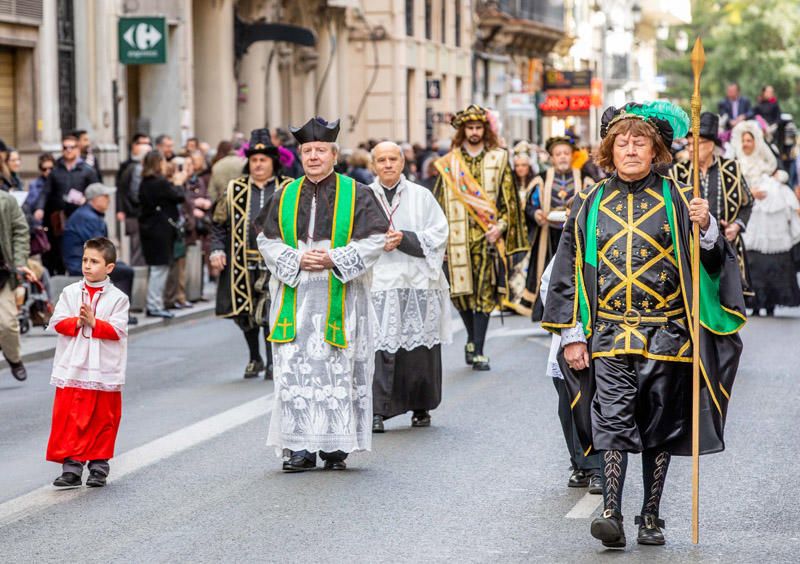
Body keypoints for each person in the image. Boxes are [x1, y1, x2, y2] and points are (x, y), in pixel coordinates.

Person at [543, 101, 745, 548]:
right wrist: (571, 334)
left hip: (669, 334)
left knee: (660, 427)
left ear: (655, 152)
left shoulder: (678, 197)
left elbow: (711, 262)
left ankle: (650, 515)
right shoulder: (588, 202)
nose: (630, 149)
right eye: (622, 142)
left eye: (640, 142)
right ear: (608, 151)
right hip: (610, 333)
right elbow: (567, 269)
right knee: (612, 420)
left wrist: (707, 226)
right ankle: (611, 513)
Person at [258, 116, 389, 472]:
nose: (313, 156)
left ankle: (335, 445)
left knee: (338, 367)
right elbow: (266, 240)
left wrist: (334, 257)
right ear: (299, 155)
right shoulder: (284, 194)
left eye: (320, 150)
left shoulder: (358, 192)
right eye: (307, 151)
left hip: (342, 296)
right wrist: (298, 257)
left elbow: (377, 239)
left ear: (334, 154)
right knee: (295, 369)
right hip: (296, 294)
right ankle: (299, 447)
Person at [433, 104, 528, 371]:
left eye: (478, 128)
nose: (474, 132)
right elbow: (438, 203)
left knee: (485, 293)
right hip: (456, 240)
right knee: (460, 295)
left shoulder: (498, 159)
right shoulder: (449, 163)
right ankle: (472, 339)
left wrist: (502, 226)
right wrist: (438, 240)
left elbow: (509, 201)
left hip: (487, 238)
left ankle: (478, 347)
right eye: (470, 128)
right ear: (462, 131)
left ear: (485, 130)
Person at [368, 141, 450, 433]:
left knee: (418, 349)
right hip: (379, 281)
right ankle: (377, 410)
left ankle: (421, 405)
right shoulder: (364, 197)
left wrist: (404, 238)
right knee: (379, 345)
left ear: (402, 163)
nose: (388, 164)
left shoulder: (421, 195)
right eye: (381, 160)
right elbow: (352, 236)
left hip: (417, 280)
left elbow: (439, 233)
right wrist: (380, 242)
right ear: (373, 166)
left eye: (393, 159)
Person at [46, 237, 129, 488]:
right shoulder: (70, 292)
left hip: (103, 368)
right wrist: (78, 322)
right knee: (70, 417)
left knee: (102, 417)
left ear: (109, 268)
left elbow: (117, 330)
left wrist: (94, 322)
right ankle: (71, 467)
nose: (88, 266)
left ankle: (98, 466)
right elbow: (58, 322)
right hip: (73, 366)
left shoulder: (118, 298)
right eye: (85, 260)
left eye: (94, 261)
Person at [210, 129, 289, 379]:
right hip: (241, 262)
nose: (257, 164)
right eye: (254, 160)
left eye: (262, 160)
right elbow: (218, 223)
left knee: (269, 313)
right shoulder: (234, 189)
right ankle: (255, 357)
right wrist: (216, 249)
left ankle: (273, 362)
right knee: (246, 314)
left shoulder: (287, 188)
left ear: (273, 163)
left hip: (275, 262)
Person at [670, 112, 754, 296]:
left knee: (727, 302)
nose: (691, 149)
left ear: (711, 145)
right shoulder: (678, 172)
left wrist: (737, 225)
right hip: (690, 248)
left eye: (697, 144)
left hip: (726, 245)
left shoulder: (732, 169)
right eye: (689, 144)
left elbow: (748, 202)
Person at [539, 245, 601, 494]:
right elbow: (550, 284)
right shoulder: (572, 241)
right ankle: (579, 463)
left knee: (596, 405)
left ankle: (597, 466)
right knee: (568, 405)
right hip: (571, 334)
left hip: (604, 335)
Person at [730, 120, 800, 315]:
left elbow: (780, 173)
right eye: (743, 141)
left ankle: (770, 302)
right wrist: (749, 192)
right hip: (748, 217)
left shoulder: (767, 159)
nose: (745, 144)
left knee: (772, 259)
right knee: (750, 259)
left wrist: (776, 180)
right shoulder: (734, 164)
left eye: (749, 140)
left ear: (756, 142)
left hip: (769, 220)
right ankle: (753, 302)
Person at [522, 135, 593, 320]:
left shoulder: (585, 179)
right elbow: (529, 205)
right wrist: (535, 213)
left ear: (572, 156)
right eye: (558, 154)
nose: (562, 157)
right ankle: (548, 313)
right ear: (551, 158)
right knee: (547, 274)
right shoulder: (541, 179)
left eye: (566, 153)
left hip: (575, 236)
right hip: (548, 236)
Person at [61, 183, 138, 325]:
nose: (109, 200)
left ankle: (117, 311)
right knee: (125, 271)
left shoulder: (89, 215)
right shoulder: (88, 217)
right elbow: (98, 247)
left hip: (86, 260)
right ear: (95, 199)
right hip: (80, 263)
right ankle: (121, 313)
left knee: (120, 268)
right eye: (105, 196)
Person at [138, 150, 186, 318]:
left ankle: (155, 303)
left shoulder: (145, 182)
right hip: (160, 230)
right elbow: (179, 196)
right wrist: (179, 183)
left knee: (158, 268)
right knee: (160, 268)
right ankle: (154, 304)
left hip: (151, 229)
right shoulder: (159, 183)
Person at [43, 133, 100, 274]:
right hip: (59, 218)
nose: (68, 150)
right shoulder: (55, 171)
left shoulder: (87, 170)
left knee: (82, 248)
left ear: (78, 149)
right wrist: (39, 209)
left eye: (72, 147)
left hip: (81, 216)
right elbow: (45, 193)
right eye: (65, 147)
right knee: (59, 250)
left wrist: (85, 200)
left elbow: (97, 191)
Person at [0, 189, 34, 381]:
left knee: (7, 323)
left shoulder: (6, 200)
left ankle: (13, 358)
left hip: (2, 274)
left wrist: (19, 261)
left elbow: (20, 231)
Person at [116, 133, 152, 267]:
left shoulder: (135, 168)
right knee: (138, 249)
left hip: (135, 214)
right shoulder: (137, 169)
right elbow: (135, 194)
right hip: (136, 214)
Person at [208, 140, 247, 204]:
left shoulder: (217, 165)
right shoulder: (243, 162)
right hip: (242, 202)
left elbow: (212, 191)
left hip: (223, 204)